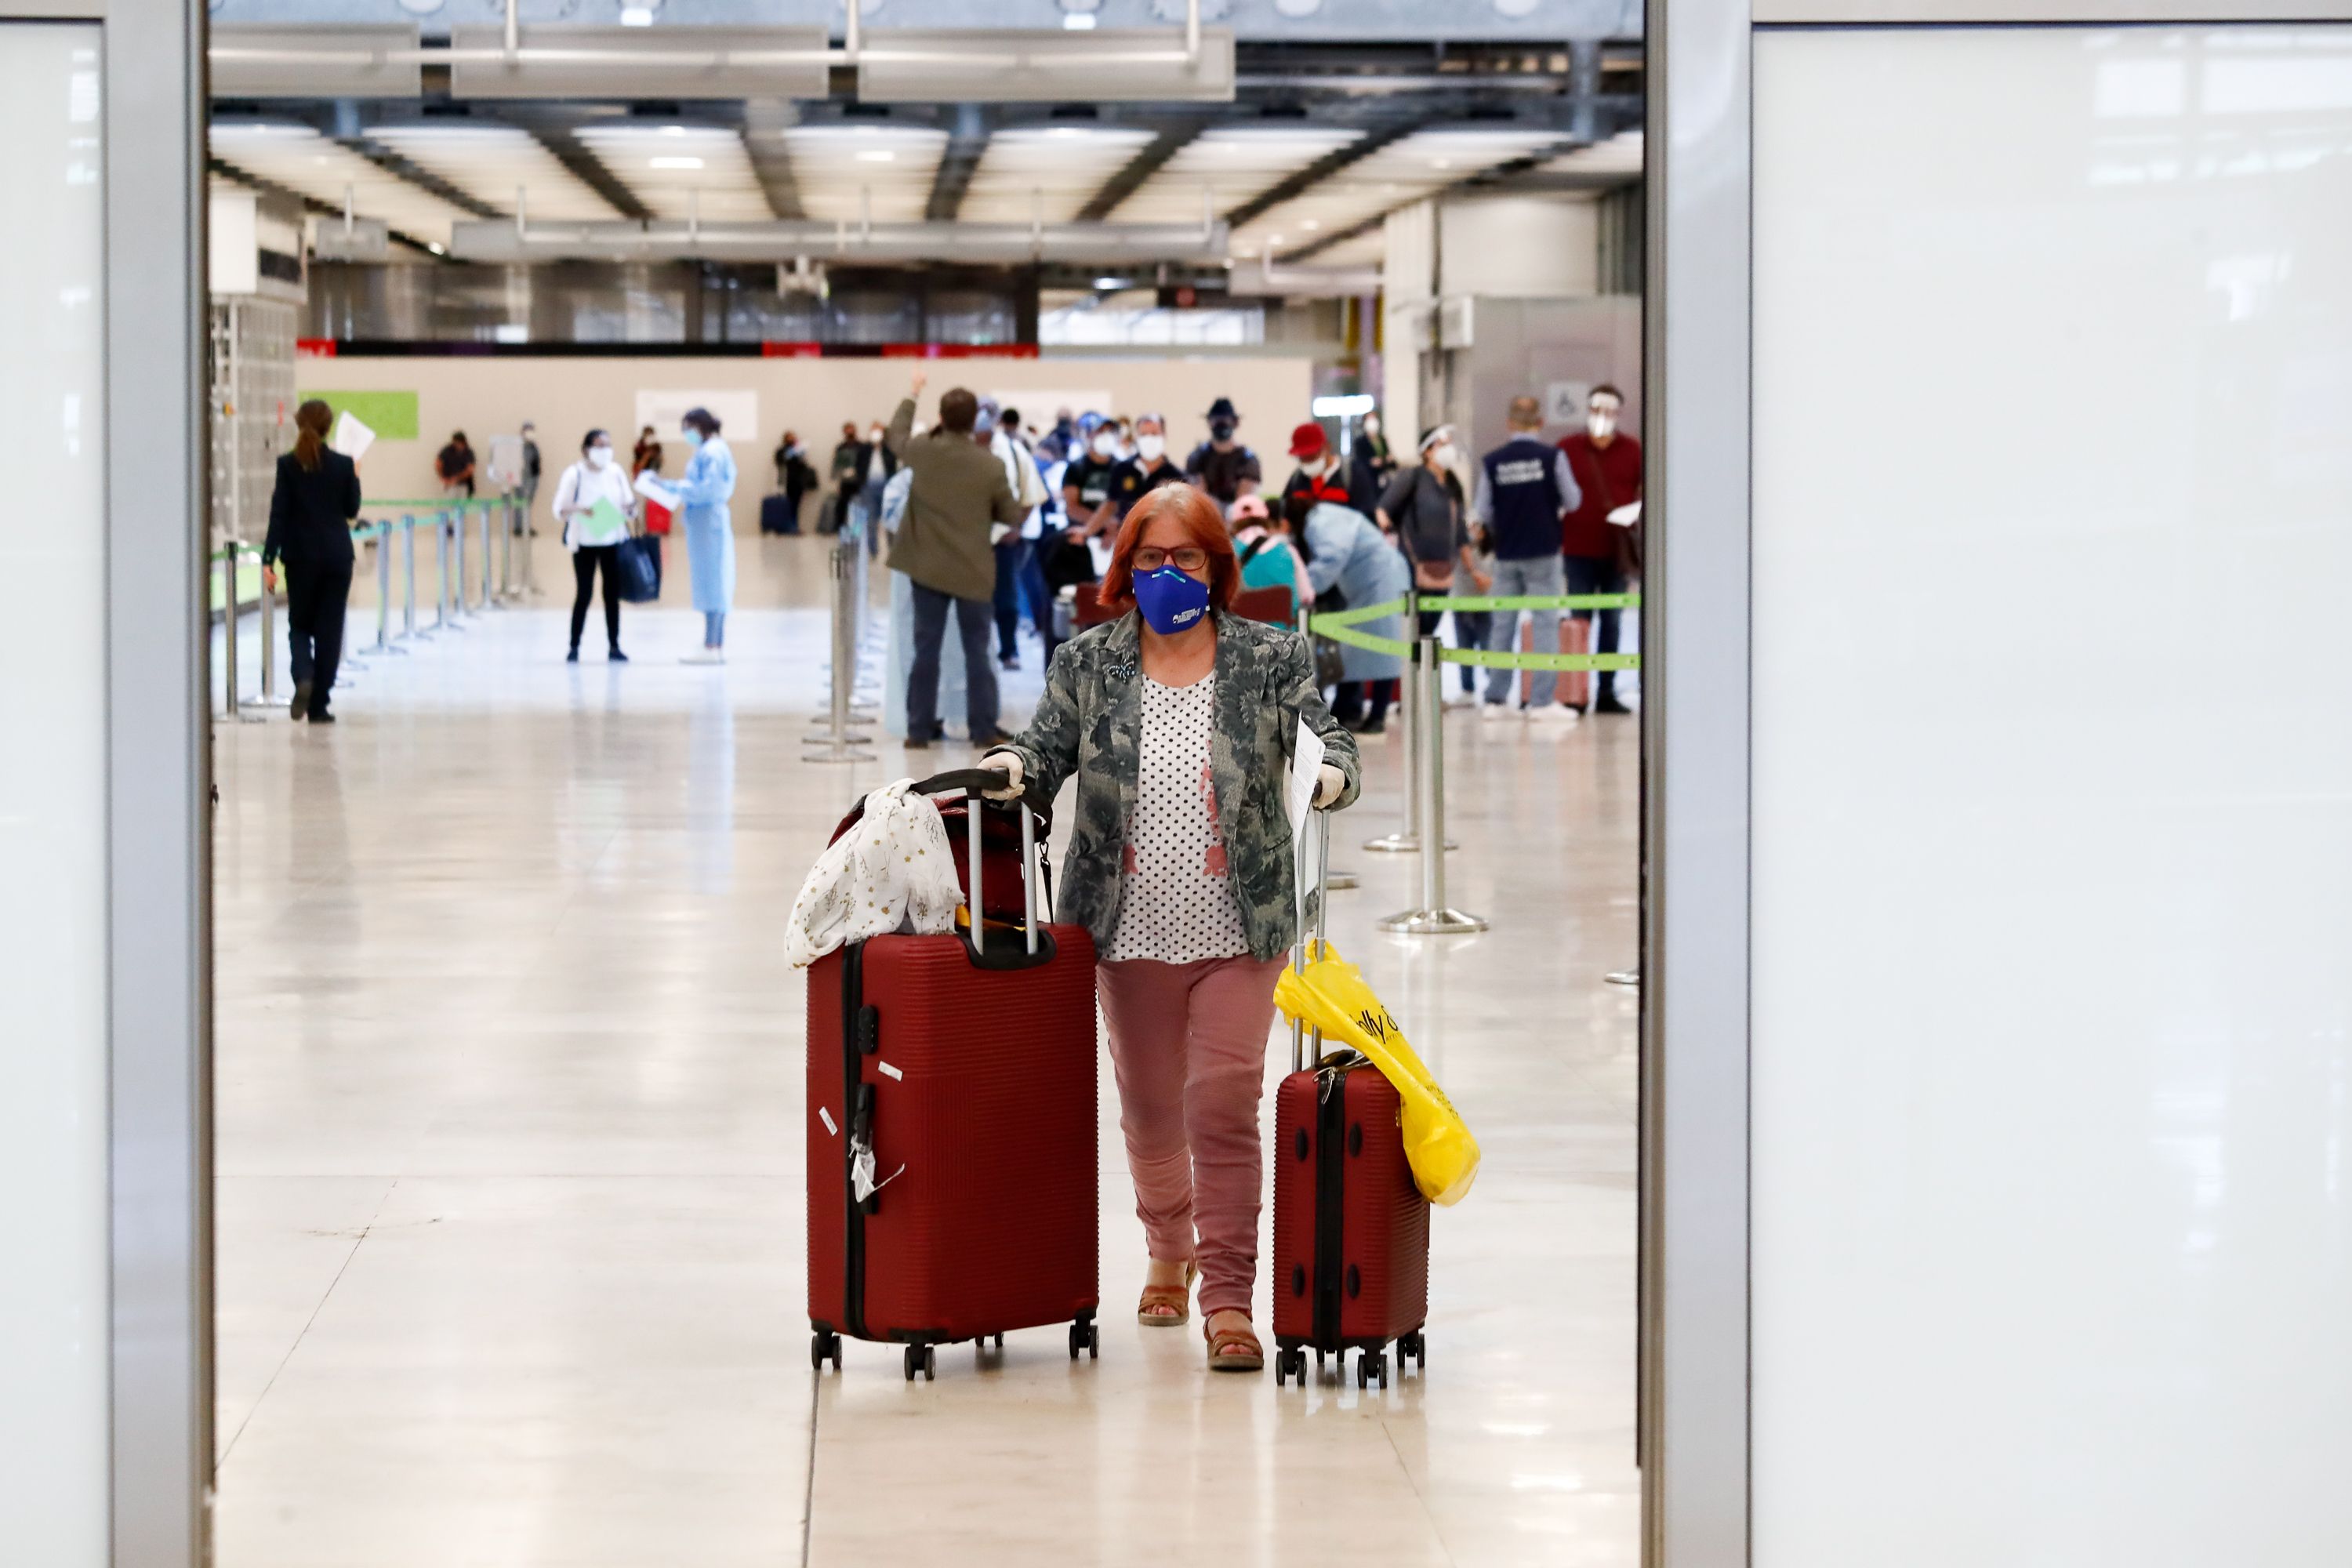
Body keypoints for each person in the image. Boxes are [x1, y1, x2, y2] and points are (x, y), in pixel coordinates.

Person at [977, 483, 1361, 1375]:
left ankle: (1229, 1296)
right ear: (1126, 566)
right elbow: (1044, 751)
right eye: (1150, 556)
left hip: (1242, 920)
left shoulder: (1271, 655)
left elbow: (1329, 742)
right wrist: (1009, 765)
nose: (1168, 571)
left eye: (1186, 556)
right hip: (1127, 923)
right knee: (1152, 1112)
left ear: (1216, 564)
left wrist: (1331, 779)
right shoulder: (1090, 660)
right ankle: (1166, 1247)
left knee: (1222, 1104)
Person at [885, 372, 1025, 747]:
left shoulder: (922, 451)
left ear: (942, 418)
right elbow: (1010, 515)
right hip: (973, 572)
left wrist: (912, 393)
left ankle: (918, 731)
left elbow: (894, 435)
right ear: (973, 419)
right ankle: (982, 730)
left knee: (925, 650)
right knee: (978, 652)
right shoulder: (990, 466)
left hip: (926, 569)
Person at [1467, 395, 1586, 720]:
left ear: (1508, 423)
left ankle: (1495, 699)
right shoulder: (1552, 457)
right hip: (1545, 553)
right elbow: (1574, 500)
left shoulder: (1493, 462)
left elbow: (1484, 511)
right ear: (1541, 423)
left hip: (1507, 555)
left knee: (1502, 627)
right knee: (1546, 625)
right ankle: (1541, 702)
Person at [1377, 426, 1493, 710]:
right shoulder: (1413, 477)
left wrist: (1472, 569)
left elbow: (1461, 534)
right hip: (1412, 569)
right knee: (1414, 633)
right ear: (1428, 449)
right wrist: (1389, 544)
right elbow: (1384, 510)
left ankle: (1427, 695)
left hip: (1444, 573)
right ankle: (1411, 697)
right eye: (1443, 443)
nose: (1449, 448)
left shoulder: (1452, 484)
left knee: (1429, 635)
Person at [260, 398, 361, 724]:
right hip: (337, 557)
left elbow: (280, 514)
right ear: (328, 427)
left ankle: (304, 675)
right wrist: (355, 476)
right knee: (330, 631)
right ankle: (319, 705)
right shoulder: (344, 465)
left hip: (300, 557)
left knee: (300, 625)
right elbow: (351, 510)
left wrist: (268, 560)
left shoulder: (288, 465)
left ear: (298, 424)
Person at [1556, 383, 1642, 716]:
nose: (1601, 418)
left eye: (1608, 412)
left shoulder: (1632, 450)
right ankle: (1575, 693)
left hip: (1616, 553)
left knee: (1612, 621)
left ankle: (1606, 690)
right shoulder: (1567, 448)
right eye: (1596, 411)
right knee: (1579, 621)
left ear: (1618, 414)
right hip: (1577, 549)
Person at [1292, 491, 1410, 733]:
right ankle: (1348, 710)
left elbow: (1331, 557)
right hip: (1370, 583)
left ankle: (1377, 715)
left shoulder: (1321, 521)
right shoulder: (1323, 516)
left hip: (1381, 581)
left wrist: (1304, 588)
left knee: (1383, 649)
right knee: (1359, 651)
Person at [551, 426, 637, 664]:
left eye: (607, 445)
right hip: (585, 544)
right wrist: (580, 509)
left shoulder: (616, 472)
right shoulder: (574, 474)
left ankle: (614, 646)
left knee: (611, 595)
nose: (604, 451)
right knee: (584, 594)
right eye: (599, 446)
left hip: (613, 542)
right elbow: (559, 508)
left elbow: (629, 504)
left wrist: (630, 509)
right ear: (586, 449)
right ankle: (574, 646)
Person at [673, 406, 738, 663]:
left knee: (713, 582)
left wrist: (672, 487)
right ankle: (712, 642)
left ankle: (712, 644)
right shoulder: (710, 450)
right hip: (704, 522)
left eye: (688, 428)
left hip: (708, 521)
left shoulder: (713, 452)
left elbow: (707, 489)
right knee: (711, 580)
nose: (686, 434)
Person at [989, 404, 1047, 671]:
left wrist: (1016, 527)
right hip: (967, 542)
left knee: (1006, 597)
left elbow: (1031, 493)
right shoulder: (962, 450)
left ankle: (1008, 650)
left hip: (1003, 539)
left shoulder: (1012, 450)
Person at [1229, 493, 1312, 628]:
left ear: (1234, 523)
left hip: (1238, 642)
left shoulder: (1224, 553)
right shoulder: (1288, 550)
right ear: (1266, 519)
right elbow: (1307, 596)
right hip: (1283, 642)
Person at [1108, 412, 1189, 521]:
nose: (1149, 439)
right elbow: (1110, 504)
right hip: (1125, 532)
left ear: (1164, 435)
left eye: (1154, 434)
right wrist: (1089, 530)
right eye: (1144, 434)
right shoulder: (1122, 469)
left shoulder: (1176, 476)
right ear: (1137, 437)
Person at [1183, 396, 1261, 507]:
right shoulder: (1198, 457)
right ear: (1209, 422)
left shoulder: (1248, 460)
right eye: (1216, 419)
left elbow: (1244, 502)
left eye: (1225, 420)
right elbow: (1198, 497)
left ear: (1235, 423)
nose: (1221, 424)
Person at [1280, 420, 1356, 517]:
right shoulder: (1297, 479)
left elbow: (1366, 519)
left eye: (1311, 457)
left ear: (1327, 447)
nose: (1307, 463)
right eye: (1302, 458)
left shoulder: (1350, 475)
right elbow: (1285, 513)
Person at [773, 431, 817, 535]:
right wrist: (789, 454)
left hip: (798, 482)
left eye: (793, 437)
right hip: (786, 482)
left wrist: (799, 454)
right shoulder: (781, 451)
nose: (791, 439)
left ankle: (794, 527)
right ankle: (783, 527)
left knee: (796, 506)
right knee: (785, 506)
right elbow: (779, 462)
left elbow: (803, 464)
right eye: (789, 437)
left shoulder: (799, 450)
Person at [1351, 408, 1397, 500]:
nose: (1373, 422)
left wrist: (1388, 459)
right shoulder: (1360, 442)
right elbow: (1359, 461)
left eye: (1374, 419)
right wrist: (1370, 462)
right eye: (1370, 420)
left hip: (1384, 479)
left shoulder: (1382, 440)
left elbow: (1392, 461)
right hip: (1369, 481)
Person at [436, 430, 476, 499]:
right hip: (450, 484)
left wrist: (457, 478)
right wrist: (443, 477)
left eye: (459, 443)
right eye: (455, 442)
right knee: (450, 505)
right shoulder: (447, 450)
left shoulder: (468, 452)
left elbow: (470, 469)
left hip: (464, 484)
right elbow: (438, 463)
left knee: (462, 506)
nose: (457, 444)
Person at [517, 422, 542, 535]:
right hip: (522, 478)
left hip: (532, 477)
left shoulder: (533, 446)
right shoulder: (519, 445)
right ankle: (519, 527)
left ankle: (526, 526)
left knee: (528, 503)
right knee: (520, 503)